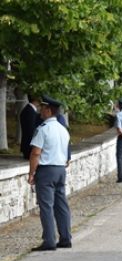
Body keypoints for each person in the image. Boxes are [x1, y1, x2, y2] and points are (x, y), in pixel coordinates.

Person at [27, 95, 72, 251]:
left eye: (43, 108)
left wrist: (31, 173)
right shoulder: (63, 130)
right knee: (61, 205)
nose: (40, 110)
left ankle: (49, 241)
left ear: (48, 110)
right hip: (60, 169)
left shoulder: (43, 129)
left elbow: (36, 153)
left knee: (46, 206)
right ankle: (66, 237)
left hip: (46, 170)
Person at [20, 95, 41, 160]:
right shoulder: (29, 112)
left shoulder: (30, 110)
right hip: (29, 148)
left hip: (29, 147)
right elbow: (31, 131)